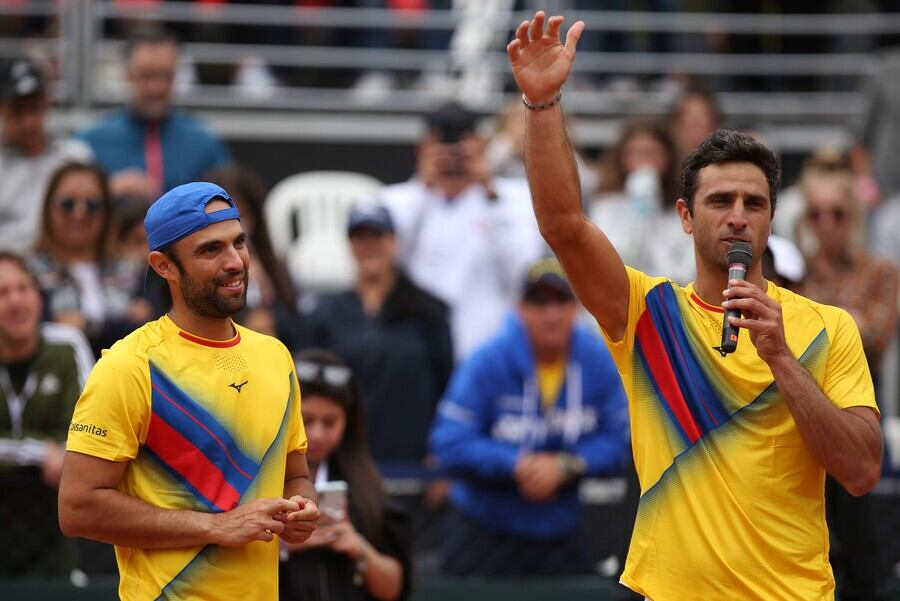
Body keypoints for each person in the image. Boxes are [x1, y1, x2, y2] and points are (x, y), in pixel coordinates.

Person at [506, 12, 882, 600]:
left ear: (771, 219)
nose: (737, 215)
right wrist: (542, 104)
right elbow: (564, 226)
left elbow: (861, 472)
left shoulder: (826, 328)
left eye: (754, 203)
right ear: (685, 216)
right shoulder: (646, 313)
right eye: (720, 200)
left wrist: (783, 360)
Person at [57, 182, 320, 600]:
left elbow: (296, 475)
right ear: (164, 267)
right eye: (210, 250)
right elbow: (77, 508)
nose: (235, 262)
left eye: (239, 242)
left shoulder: (276, 356)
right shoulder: (128, 366)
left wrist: (301, 508)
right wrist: (217, 526)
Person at [428, 258, 630, 578]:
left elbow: (623, 441)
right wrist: (517, 464)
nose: (551, 314)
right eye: (538, 302)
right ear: (520, 308)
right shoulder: (488, 359)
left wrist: (567, 465)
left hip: (562, 531)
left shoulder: (598, 361)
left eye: (561, 301)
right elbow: (448, 441)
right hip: (483, 529)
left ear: (576, 307)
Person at [379, 101, 545, 361]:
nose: (452, 152)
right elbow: (387, 267)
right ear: (423, 147)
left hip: (485, 351)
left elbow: (524, 272)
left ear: (481, 144)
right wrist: (424, 189)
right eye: (441, 143)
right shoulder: (396, 200)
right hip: (417, 354)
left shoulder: (513, 197)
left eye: (463, 141)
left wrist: (489, 191)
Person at [304, 202, 453, 466]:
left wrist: (442, 450)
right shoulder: (326, 313)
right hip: (344, 461)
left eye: (377, 236)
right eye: (361, 237)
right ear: (350, 245)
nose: (369, 245)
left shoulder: (429, 311)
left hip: (413, 463)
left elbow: (449, 385)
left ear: (394, 241)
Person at [280, 348, 411, 601]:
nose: (317, 434)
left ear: (348, 422)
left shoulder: (367, 487)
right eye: (305, 420)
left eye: (330, 422)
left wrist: (358, 547)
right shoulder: (254, 479)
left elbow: (395, 587)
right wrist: (284, 546)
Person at [0, 251, 94, 577]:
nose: (16, 301)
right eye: (3, 293)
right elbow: (56, 455)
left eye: (23, 288)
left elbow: (89, 433)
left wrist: (66, 455)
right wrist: (41, 453)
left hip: (56, 545)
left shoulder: (66, 346)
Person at [78, 30, 231, 205]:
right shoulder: (92, 142)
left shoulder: (204, 144)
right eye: (146, 76)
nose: (156, 87)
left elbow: (228, 204)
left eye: (166, 76)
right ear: (127, 75)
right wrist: (107, 189)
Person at [30, 161, 151, 356]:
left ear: (107, 212)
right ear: (48, 209)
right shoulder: (28, 272)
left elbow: (148, 327)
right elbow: (40, 331)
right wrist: (122, 321)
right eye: (67, 204)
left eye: (92, 205)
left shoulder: (134, 267)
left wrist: (84, 325)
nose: (79, 213)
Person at [0, 58, 93, 253]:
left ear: (47, 104)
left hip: (64, 266)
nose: (28, 123)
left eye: (34, 108)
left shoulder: (75, 156)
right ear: (2, 109)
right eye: (17, 111)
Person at [589, 118, 694, 284]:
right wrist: (637, 216)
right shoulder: (605, 207)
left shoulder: (682, 210)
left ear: (668, 157)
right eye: (635, 153)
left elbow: (685, 269)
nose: (644, 162)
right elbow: (609, 261)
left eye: (652, 153)